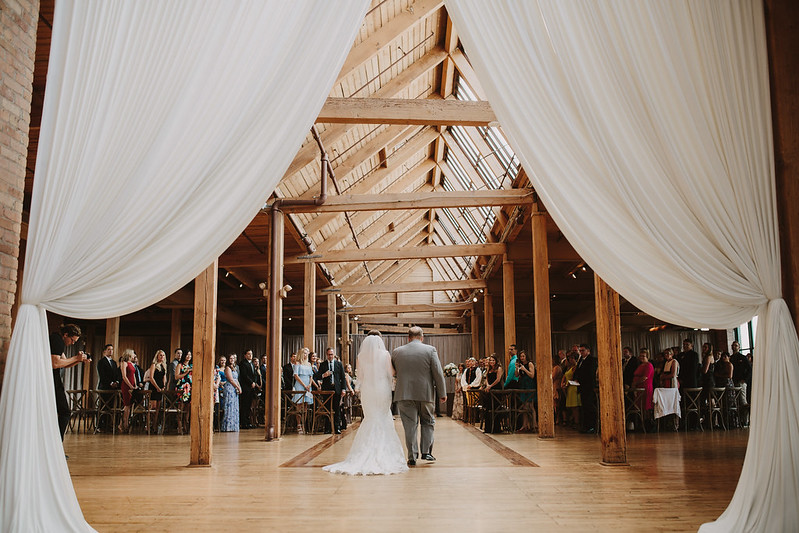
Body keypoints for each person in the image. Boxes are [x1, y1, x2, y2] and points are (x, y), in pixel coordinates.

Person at [324, 332, 408, 475]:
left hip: (368, 390)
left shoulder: (361, 357)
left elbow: (360, 376)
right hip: (382, 389)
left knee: (370, 418)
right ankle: (384, 451)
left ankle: (364, 452)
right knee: (382, 416)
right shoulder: (385, 354)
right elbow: (391, 372)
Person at [391, 326, 446, 466]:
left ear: (408, 338)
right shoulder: (430, 350)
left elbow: (393, 372)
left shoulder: (397, 352)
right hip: (425, 394)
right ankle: (426, 452)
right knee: (428, 422)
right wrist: (442, 393)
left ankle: (412, 456)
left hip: (404, 393)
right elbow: (438, 373)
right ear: (422, 337)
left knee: (409, 425)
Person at [50, 324, 89, 442]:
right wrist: (77, 358)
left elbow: (65, 363)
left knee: (64, 412)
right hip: (52, 380)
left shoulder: (58, 340)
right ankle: (56, 446)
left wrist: (80, 360)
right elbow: (55, 364)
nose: (72, 343)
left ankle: (56, 446)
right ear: (66, 335)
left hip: (55, 380)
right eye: (72, 340)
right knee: (65, 412)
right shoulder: (57, 340)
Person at [315, 346, 347, 434]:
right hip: (326, 390)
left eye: (332, 354)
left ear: (334, 354)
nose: (330, 356)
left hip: (336, 389)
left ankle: (337, 428)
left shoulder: (339, 364)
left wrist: (343, 389)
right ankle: (327, 428)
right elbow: (317, 376)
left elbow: (343, 378)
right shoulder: (323, 364)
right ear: (326, 355)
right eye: (329, 355)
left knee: (337, 409)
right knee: (327, 409)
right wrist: (323, 375)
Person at [574, 343, 598, 434]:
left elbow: (590, 373)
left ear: (588, 351)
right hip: (582, 387)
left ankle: (591, 426)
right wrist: (575, 378)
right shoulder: (580, 359)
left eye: (583, 350)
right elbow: (578, 371)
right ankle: (585, 426)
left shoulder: (592, 360)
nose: (581, 352)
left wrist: (581, 380)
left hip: (588, 386)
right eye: (580, 351)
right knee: (584, 407)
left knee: (589, 407)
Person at [95, 343, 119, 432]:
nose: (111, 351)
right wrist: (110, 383)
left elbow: (116, 374)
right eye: (109, 349)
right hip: (104, 387)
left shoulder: (114, 362)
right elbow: (102, 375)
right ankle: (99, 425)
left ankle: (108, 425)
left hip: (113, 389)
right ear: (104, 351)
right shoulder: (101, 362)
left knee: (111, 407)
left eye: (112, 349)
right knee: (102, 407)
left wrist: (116, 382)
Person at [292, 349, 315, 434]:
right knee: (299, 405)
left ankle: (303, 423)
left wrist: (309, 384)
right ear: (301, 354)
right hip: (300, 385)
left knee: (305, 405)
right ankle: (298, 424)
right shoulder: (297, 363)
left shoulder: (309, 364)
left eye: (307, 353)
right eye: (304, 353)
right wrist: (304, 385)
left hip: (308, 385)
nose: (306, 355)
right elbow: (296, 375)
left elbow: (311, 376)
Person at [482, 354, 504, 433]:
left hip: (496, 389)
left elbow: (498, 379)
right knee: (488, 408)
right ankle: (488, 428)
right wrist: (487, 385)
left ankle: (496, 428)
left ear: (496, 361)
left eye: (493, 360)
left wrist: (491, 386)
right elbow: (487, 378)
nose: (491, 362)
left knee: (495, 408)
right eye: (490, 360)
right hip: (489, 390)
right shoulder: (489, 368)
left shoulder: (499, 368)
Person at [631, 349, 655, 426]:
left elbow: (645, 377)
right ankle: (640, 423)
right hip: (638, 387)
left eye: (643, 356)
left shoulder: (649, 365)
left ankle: (647, 423)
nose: (641, 357)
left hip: (645, 387)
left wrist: (635, 383)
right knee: (639, 406)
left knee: (645, 406)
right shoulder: (640, 365)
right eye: (640, 356)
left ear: (647, 356)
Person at [515, 350, 536, 432]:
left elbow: (532, 375)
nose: (522, 358)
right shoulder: (521, 365)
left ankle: (534, 425)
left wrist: (524, 369)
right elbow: (516, 375)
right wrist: (517, 368)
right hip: (522, 385)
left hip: (529, 385)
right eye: (520, 356)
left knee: (530, 406)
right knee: (524, 406)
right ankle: (525, 425)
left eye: (523, 356)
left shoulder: (530, 364)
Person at [148, 350, 167, 432]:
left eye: (163, 355)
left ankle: (155, 426)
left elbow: (164, 377)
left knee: (158, 408)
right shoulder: (154, 365)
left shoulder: (164, 366)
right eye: (160, 355)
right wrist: (157, 387)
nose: (162, 357)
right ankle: (150, 425)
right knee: (153, 407)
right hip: (154, 387)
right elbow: (151, 377)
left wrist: (163, 386)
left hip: (160, 387)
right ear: (157, 356)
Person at [118, 349, 137, 433]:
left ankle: (124, 423)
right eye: (133, 354)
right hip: (126, 386)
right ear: (129, 355)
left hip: (132, 385)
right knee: (126, 405)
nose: (134, 356)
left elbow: (134, 375)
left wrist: (135, 385)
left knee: (129, 405)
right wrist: (130, 386)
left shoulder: (132, 364)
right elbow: (124, 376)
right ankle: (123, 424)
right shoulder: (124, 363)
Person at [221, 354, 241, 432]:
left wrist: (239, 386)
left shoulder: (235, 368)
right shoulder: (227, 368)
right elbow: (231, 380)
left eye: (233, 358)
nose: (232, 359)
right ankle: (227, 426)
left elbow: (236, 379)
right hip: (229, 388)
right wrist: (238, 387)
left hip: (234, 388)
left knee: (234, 406)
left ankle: (234, 426)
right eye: (230, 358)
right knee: (229, 406)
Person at [238, 349, 257, 429]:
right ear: (245, 355)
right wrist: (251, 382)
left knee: (249, 406)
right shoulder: (243, 363)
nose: (250, 355)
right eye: (248, 354)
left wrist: (254, 382)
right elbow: (244, 375)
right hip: (245, 387)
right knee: (244, 405)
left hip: (251, 388)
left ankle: (248, 422)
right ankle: (243, 423)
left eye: (251, 354)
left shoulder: (252, 364)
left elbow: (255, 374)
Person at [175, 350, 193, 433]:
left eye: (190, 355)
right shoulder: (180, 365)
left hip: (189, 388)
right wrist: (186, 372)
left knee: (188, 408)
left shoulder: (191, 366)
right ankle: (179, 427)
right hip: (181, 387)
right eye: (187, 355)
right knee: (180, 408)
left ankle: (186, 426)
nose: (189, 356)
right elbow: (176, 377)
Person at [562, 352, 581, 429]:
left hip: (573, 387)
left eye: (572, 358)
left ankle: (577, 422)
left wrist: (567, 384)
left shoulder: (576, 367)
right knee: (571, 407)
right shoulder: (569, 367)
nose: (570, 360)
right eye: (570, 358)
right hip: (569, 387)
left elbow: (575, 377)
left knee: (575, 407)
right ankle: (573, 420)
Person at [729, 341, 751, 406]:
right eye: (733, 345)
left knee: (743, 401)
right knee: (735, 402)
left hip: (741, 381)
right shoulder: (731, 358)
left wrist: (745, 379)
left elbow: (749, 369)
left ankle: (746, 415)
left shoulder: (743, 358)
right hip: (733, 381)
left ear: (739, 347)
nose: (734, 347)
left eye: (736, 345)